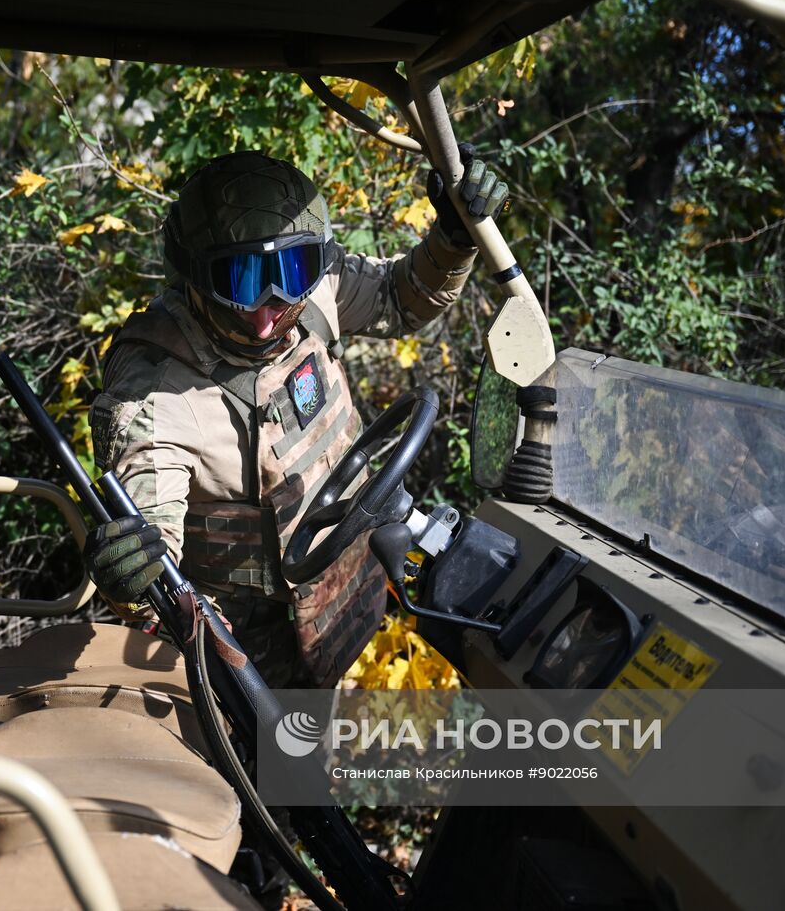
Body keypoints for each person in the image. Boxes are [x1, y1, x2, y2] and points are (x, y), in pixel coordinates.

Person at [84, 148, 506, 688]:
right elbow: (154, 564)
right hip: (248, 645)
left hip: (349, 588)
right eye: (238, 280)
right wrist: (132, 576)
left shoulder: (316, 291)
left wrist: (455, 236)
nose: (266, 313)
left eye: (290, 272)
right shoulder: (158, 398)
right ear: (190, 273)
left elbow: (401, 299)